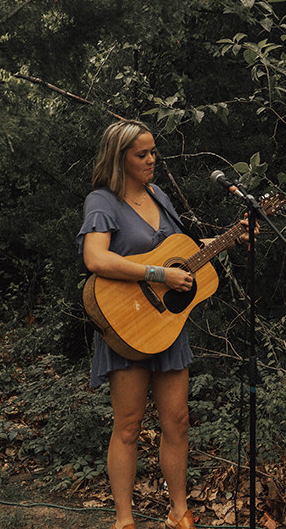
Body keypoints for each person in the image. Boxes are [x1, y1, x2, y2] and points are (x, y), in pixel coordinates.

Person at [77, 120, 252, 529]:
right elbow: (96, 259)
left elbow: (182, 253)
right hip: (127, 323)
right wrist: (159, 275)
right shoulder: (102, 201)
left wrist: (232, 237)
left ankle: (178, 512)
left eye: (153, 151)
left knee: (178, 422)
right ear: (120, 158)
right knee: (128, 426)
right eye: (142, 154)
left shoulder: (160, 196)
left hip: (167, 326)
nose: (152, 159)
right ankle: (124, 520)